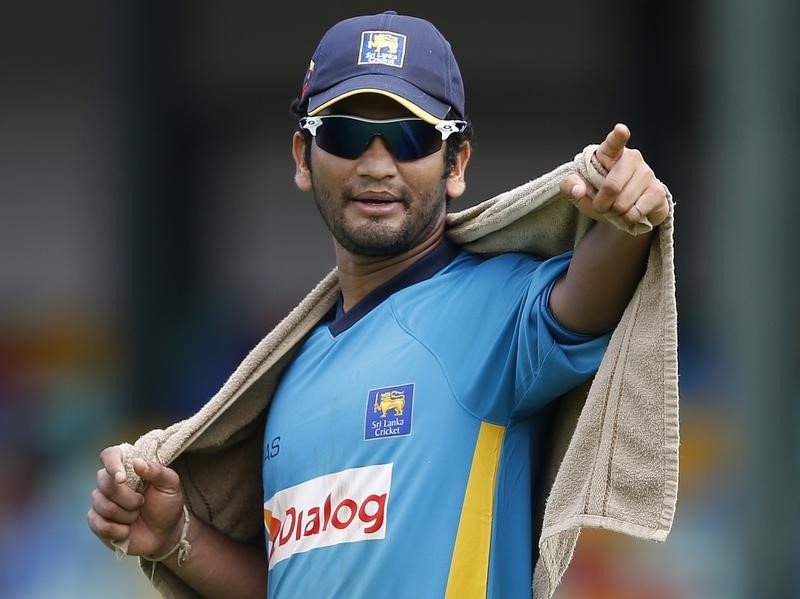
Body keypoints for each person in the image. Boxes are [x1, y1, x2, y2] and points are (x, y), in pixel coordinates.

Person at [88, 10, 670, 598]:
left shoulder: (494, 306)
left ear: (456, 164)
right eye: (344, 134)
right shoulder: (290, 376)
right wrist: (175, 538)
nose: (375, 164)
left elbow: (586, 305)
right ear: (301, 157)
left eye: (410, 136)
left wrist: (629, 222)